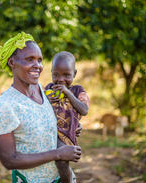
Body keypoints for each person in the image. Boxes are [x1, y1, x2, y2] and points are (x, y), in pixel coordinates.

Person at [0, 32, 82, 183]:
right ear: (12, 62)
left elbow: (48, 126)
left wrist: (71, 124)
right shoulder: (3, 106)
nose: (37, 65)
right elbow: (9, 160)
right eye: (29, 59)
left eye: (39, 60)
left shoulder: (43, 91)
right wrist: (58, 154)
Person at [45, 51, 89, 183]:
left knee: (62, 162)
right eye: (56, 74)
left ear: (74, 74)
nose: (61, 79)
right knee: (53, 163)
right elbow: (40, 107)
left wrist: (68, 93)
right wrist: (46, 98)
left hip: (66, 135)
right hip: (50, 133)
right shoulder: (49, 88)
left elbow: (84, 110)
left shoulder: (78, 91)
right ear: (51, 72)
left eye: (67, 75)